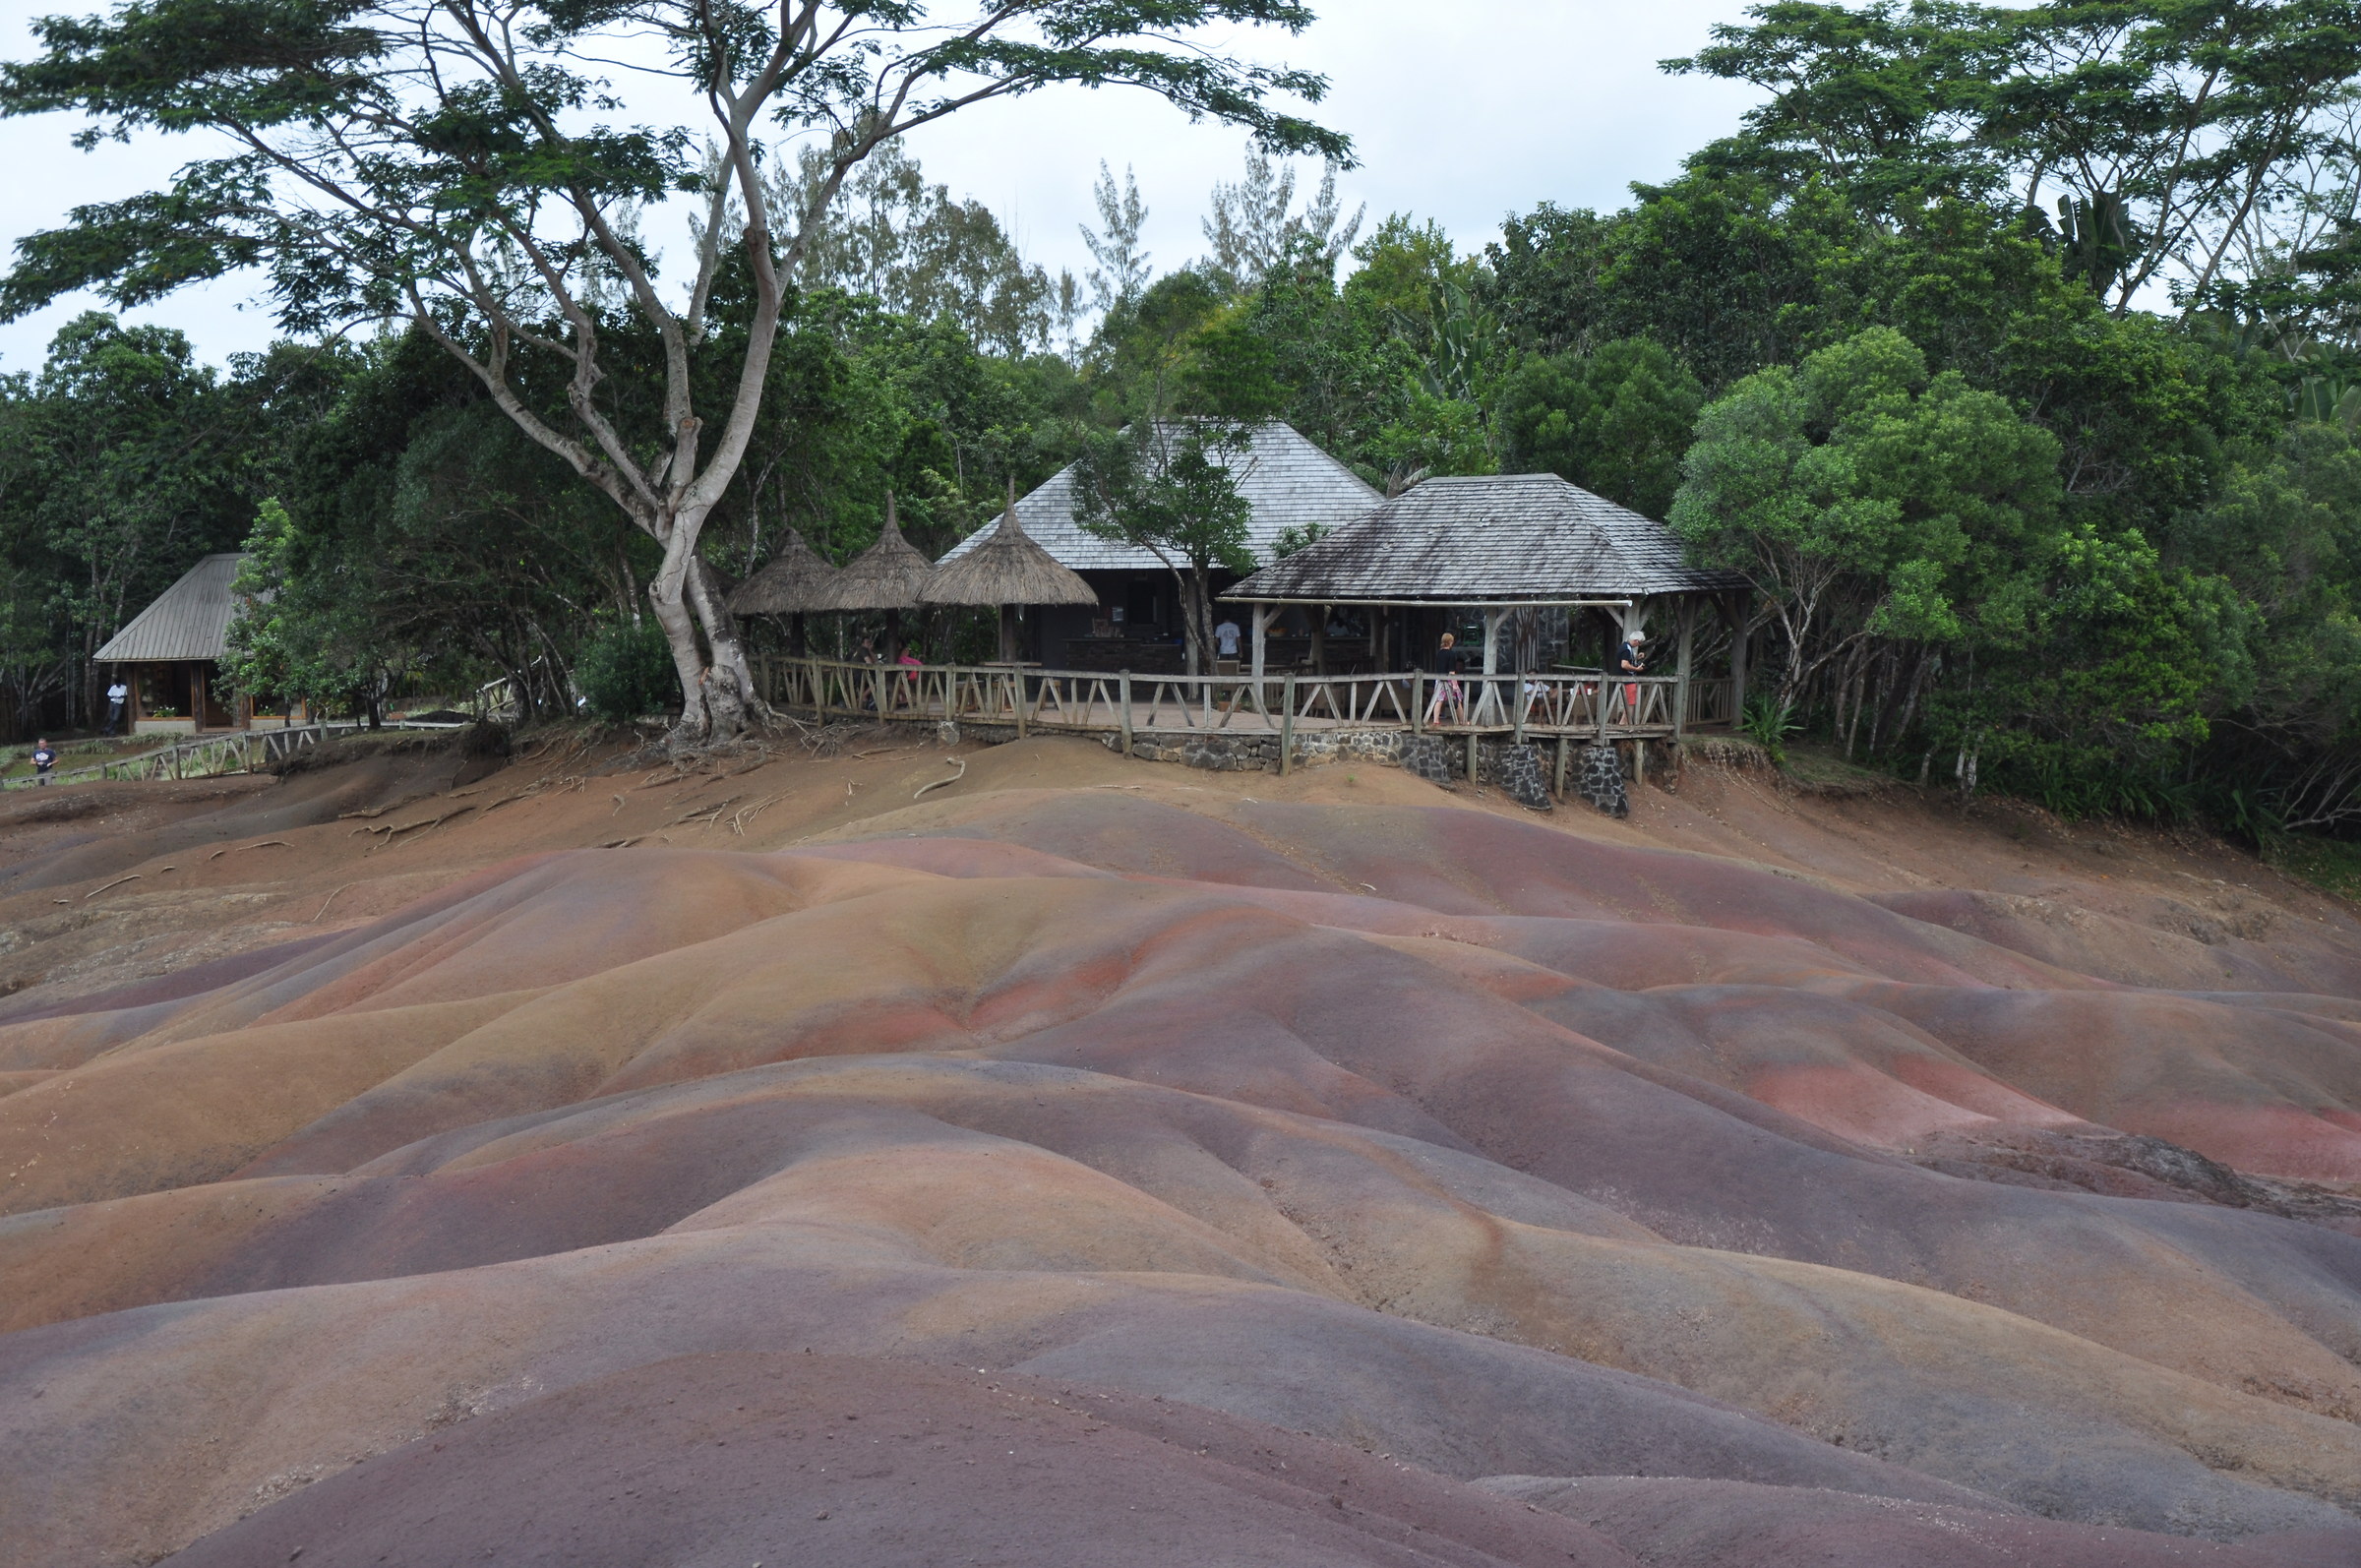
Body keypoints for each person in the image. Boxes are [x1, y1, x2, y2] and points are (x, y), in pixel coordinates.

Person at [1424, 632, 1466, 726]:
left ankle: (1435, 720)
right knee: (1458, 699)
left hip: (1439, 679)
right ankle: (1462, 721)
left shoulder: (1439, 653)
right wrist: (1455, 685)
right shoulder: (1451, 654)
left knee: (1439, 700)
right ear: (1450, 642)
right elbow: (1451, 671)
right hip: (1449, 680)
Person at [1612, 630, 1649, 716]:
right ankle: (1626, 724)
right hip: (1627, 678)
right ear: (1636, 641)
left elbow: (1626, 659)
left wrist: (1636, 657)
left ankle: (1624, 723)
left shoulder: (1625, 647)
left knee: (1629, 702)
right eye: (1639, 643)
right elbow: (1624, 664)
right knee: (1630, 702)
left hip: (1623, 677)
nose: (1639, 645)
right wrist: (1636, 669)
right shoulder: (1627, 649)